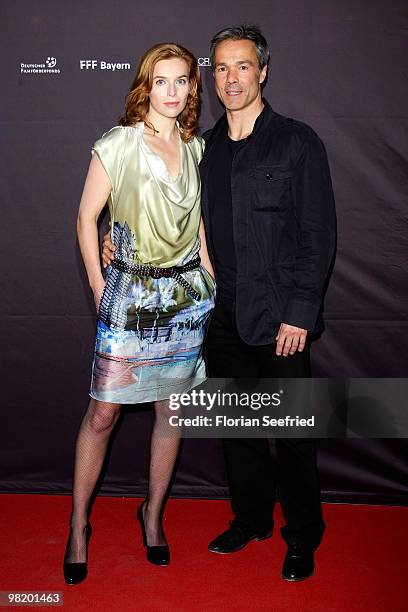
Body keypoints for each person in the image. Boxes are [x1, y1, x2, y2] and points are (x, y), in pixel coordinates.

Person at [103, 25, 336, 582]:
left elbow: (319, 234)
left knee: (293, 432)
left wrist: (300, 313)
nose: (231, 78)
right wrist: (118, 237)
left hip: (282, 317)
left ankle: (302, 534)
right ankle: (251, 518)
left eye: (243, 66)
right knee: (238, 427)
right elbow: (165, 214)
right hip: (219, 313)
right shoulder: (201, 150)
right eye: (221, 68)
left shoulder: (297, 142)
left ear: (263, 72)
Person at [64, 42, 215, 585]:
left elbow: (198, 221)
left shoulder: (198, 147)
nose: (172, 92)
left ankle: (152, 516)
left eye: (182, 82)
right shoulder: (119, 144)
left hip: (186, 301)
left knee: (171, 413)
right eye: (162, 82)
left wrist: (210, 271)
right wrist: (100, 283)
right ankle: (79, 525)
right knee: (103, 414)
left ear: (191, 88)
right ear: (144, 87)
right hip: (129, 299)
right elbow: (87, 219)